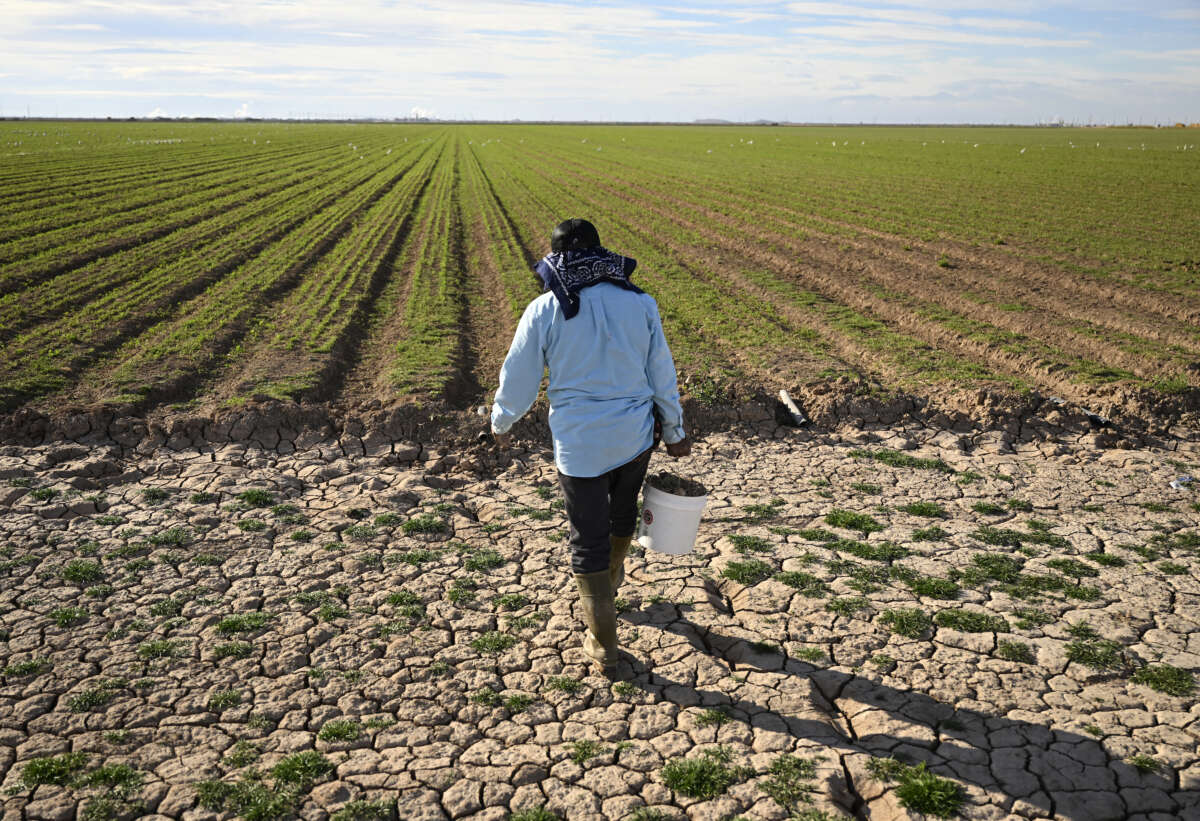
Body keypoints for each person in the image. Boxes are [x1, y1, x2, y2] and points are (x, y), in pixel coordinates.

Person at [491, 218, 691, 678]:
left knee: (588, 537)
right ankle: (611, 583)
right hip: (635, 436)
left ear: (557, 259)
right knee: (622, 514)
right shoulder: (641, 303)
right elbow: (662, 371)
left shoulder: (544, 309)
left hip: (579, 442)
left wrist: (502, 421)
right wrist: (675, 432)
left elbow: (519, 377)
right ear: (601, 255)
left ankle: (603, 644)